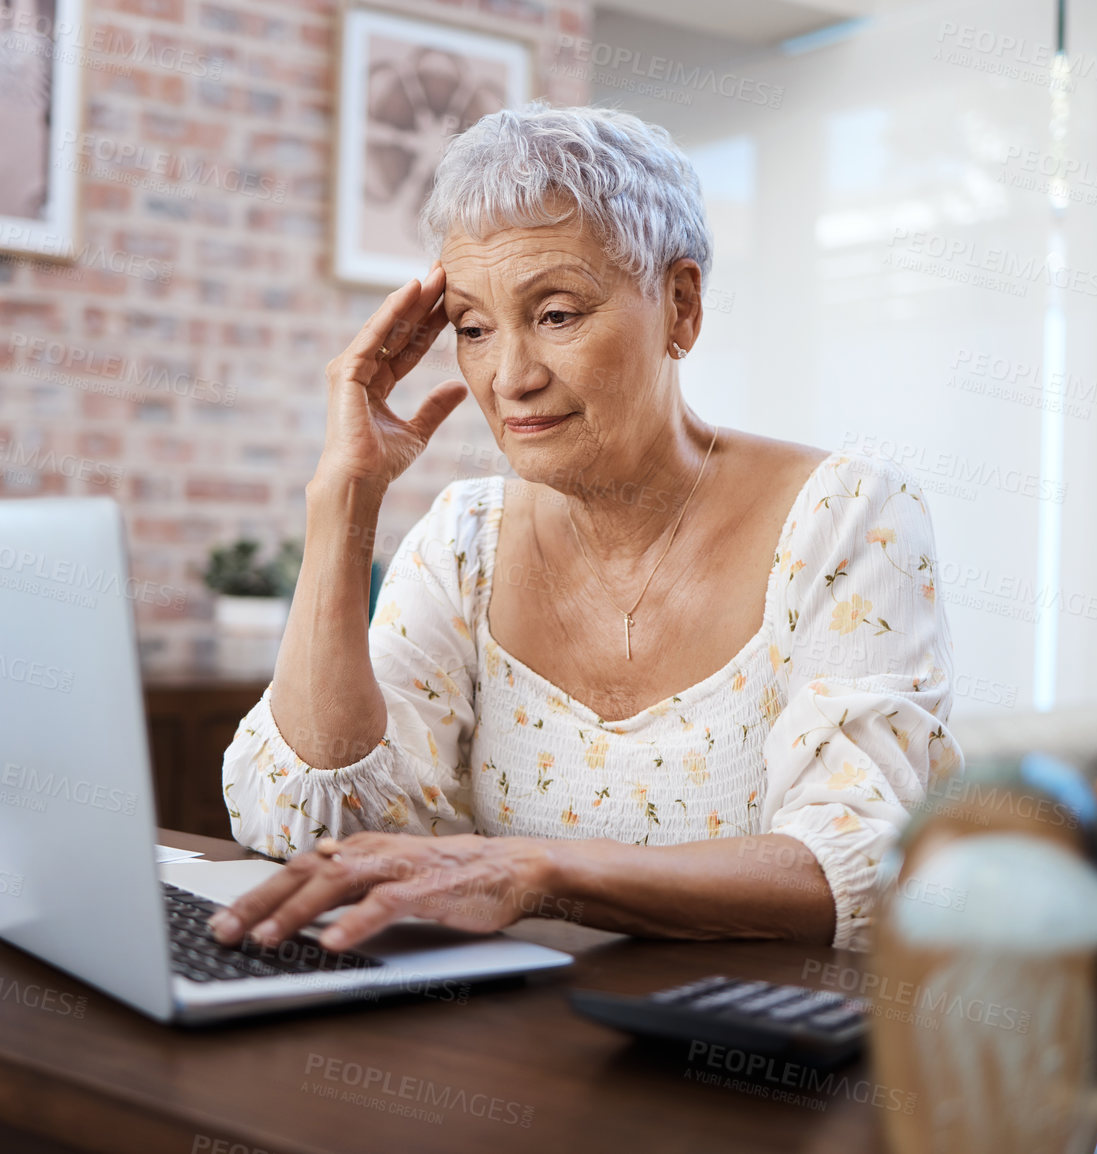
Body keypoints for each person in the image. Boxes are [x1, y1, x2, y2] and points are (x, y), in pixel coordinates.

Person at [213, 104, 961, 958]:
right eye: (472, 328)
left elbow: (864, 862)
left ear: (680, 305)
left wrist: (540, 873)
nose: (511, 377)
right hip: (506, 1044)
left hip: (757, 1067)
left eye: (558, 314)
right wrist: (344, 496)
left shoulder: (846, 517)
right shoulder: (466, 538)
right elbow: (308, 822)